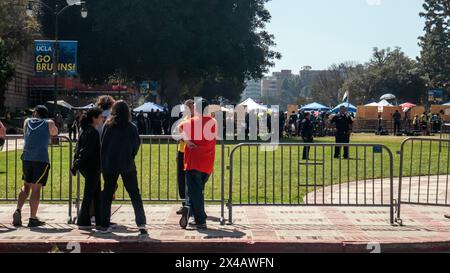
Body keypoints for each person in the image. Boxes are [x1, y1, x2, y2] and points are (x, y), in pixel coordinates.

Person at [100, 101, 147, 234]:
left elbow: (103, 144)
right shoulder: (131, 127)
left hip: (110, 163)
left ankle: (104, 224)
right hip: (127, 163)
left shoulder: (107, 126)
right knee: (134, 194)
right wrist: (130, 156)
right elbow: (136, 145)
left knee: (107, 194)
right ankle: (141, 222)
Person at [12, 105, 58, 227]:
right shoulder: (49, 122)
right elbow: (55, 133)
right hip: (40, 159)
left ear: (36, 112)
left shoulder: (27, 121)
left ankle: (18, 209)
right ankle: (32, 218)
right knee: (36, 188)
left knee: (26, 185)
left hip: (26, 157)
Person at [179, 99, 217, 230]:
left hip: (193, 161)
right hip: (207, 164)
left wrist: (187, 140)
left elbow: (180, 127)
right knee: (196, 191)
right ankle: (191, 211)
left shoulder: (190, 122)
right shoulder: (213, 122)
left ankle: (200, 220)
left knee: (195, 192)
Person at [71, 107, 104, 229]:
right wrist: (76, 164)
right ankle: (83, 220)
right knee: (89, 195)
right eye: (100, 117)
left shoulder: (85, 130)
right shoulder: (92, 132)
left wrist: (76, 164)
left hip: (90, 167)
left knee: (95, 194)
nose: (102, 119)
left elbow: (79, 149)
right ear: (94, 118)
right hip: (92, 167)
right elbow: (85, 150)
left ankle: (100, 220)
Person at [176, 100, 195, 215]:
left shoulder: (197, 120)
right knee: (181, 180)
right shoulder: (184, 119)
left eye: (190, 107)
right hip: (182, 151)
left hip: (192, 152)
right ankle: (184, 204)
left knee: (192, 180)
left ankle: (193, 205)